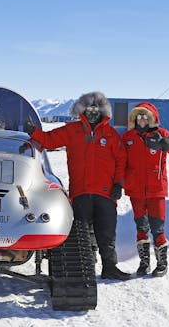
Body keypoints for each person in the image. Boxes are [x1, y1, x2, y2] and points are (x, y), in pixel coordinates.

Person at [25, 91, 130, 280]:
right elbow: (49, 140)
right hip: (80, 192)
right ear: (82, 110)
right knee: (82, 233)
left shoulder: (111, 134)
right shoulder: (71, 130)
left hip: (105, 193)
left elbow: (121, 159)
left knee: (106, 233)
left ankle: (110, 267)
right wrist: (34, 132)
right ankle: (86, 269)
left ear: (103, 111)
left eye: (96, 109)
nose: (92, 112)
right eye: (89, 108)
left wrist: (118, 183)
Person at [122, 102, 169, 277]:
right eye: (138, 117)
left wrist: (168, 145)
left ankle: (162, 264)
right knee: (141, 227)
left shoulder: (161, 134)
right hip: (136, 191)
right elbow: (120, 161)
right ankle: (144, 263)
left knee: (158, 228)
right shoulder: (128, 138)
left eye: (145, 117)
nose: (141, 120)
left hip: (156, 190)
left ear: (152, 118)